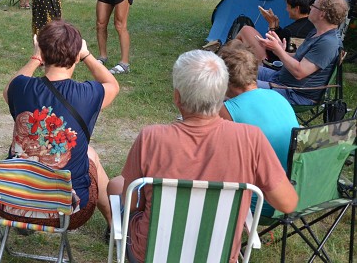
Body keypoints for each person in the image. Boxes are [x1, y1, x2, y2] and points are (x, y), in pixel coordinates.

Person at [108, 50, 298, 263]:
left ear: (177, 98)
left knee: (117, 190)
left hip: (153, 254)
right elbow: (288, 204)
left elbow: (132, 203)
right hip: (219, 256)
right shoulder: (251, 139)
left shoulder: (151, 138)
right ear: (222, 94)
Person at [3, 20, 119, 229]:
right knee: (90, 154)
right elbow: (112, 84)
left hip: (13, 205)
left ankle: (113, 221)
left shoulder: (20, 88)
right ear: (76, 56)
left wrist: (35, 57)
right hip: (67, 211)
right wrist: (86, 55)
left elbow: (9, 88)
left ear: (42, 54)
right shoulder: (87, 94)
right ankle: (114, 222)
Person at [218, 42, 299, 216]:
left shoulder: (228, 110)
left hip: (260, 201)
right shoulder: (277, 97)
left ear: (224, 79)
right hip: (293, 193)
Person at [256, 0, 348, 105]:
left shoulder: (328, 43)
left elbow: (299, 72)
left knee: (237, 82)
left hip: (295, 94)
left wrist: (278, 50)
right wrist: (281, 49)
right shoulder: (317, 32)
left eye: (313, 6)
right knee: (237, 68)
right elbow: (300, 56)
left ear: (322, 14)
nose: (310, 8)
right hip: (280, 79)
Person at [236, 0, 316, 62]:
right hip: (298, 62)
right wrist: (276, 28)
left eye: (288, 7)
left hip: (273, 64)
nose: (286, 9)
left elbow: (273, 51)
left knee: (246, 30)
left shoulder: (291, 30)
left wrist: (271, 26)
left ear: (296, 9)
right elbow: (287, 42)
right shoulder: (315, 25)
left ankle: (227, 58)